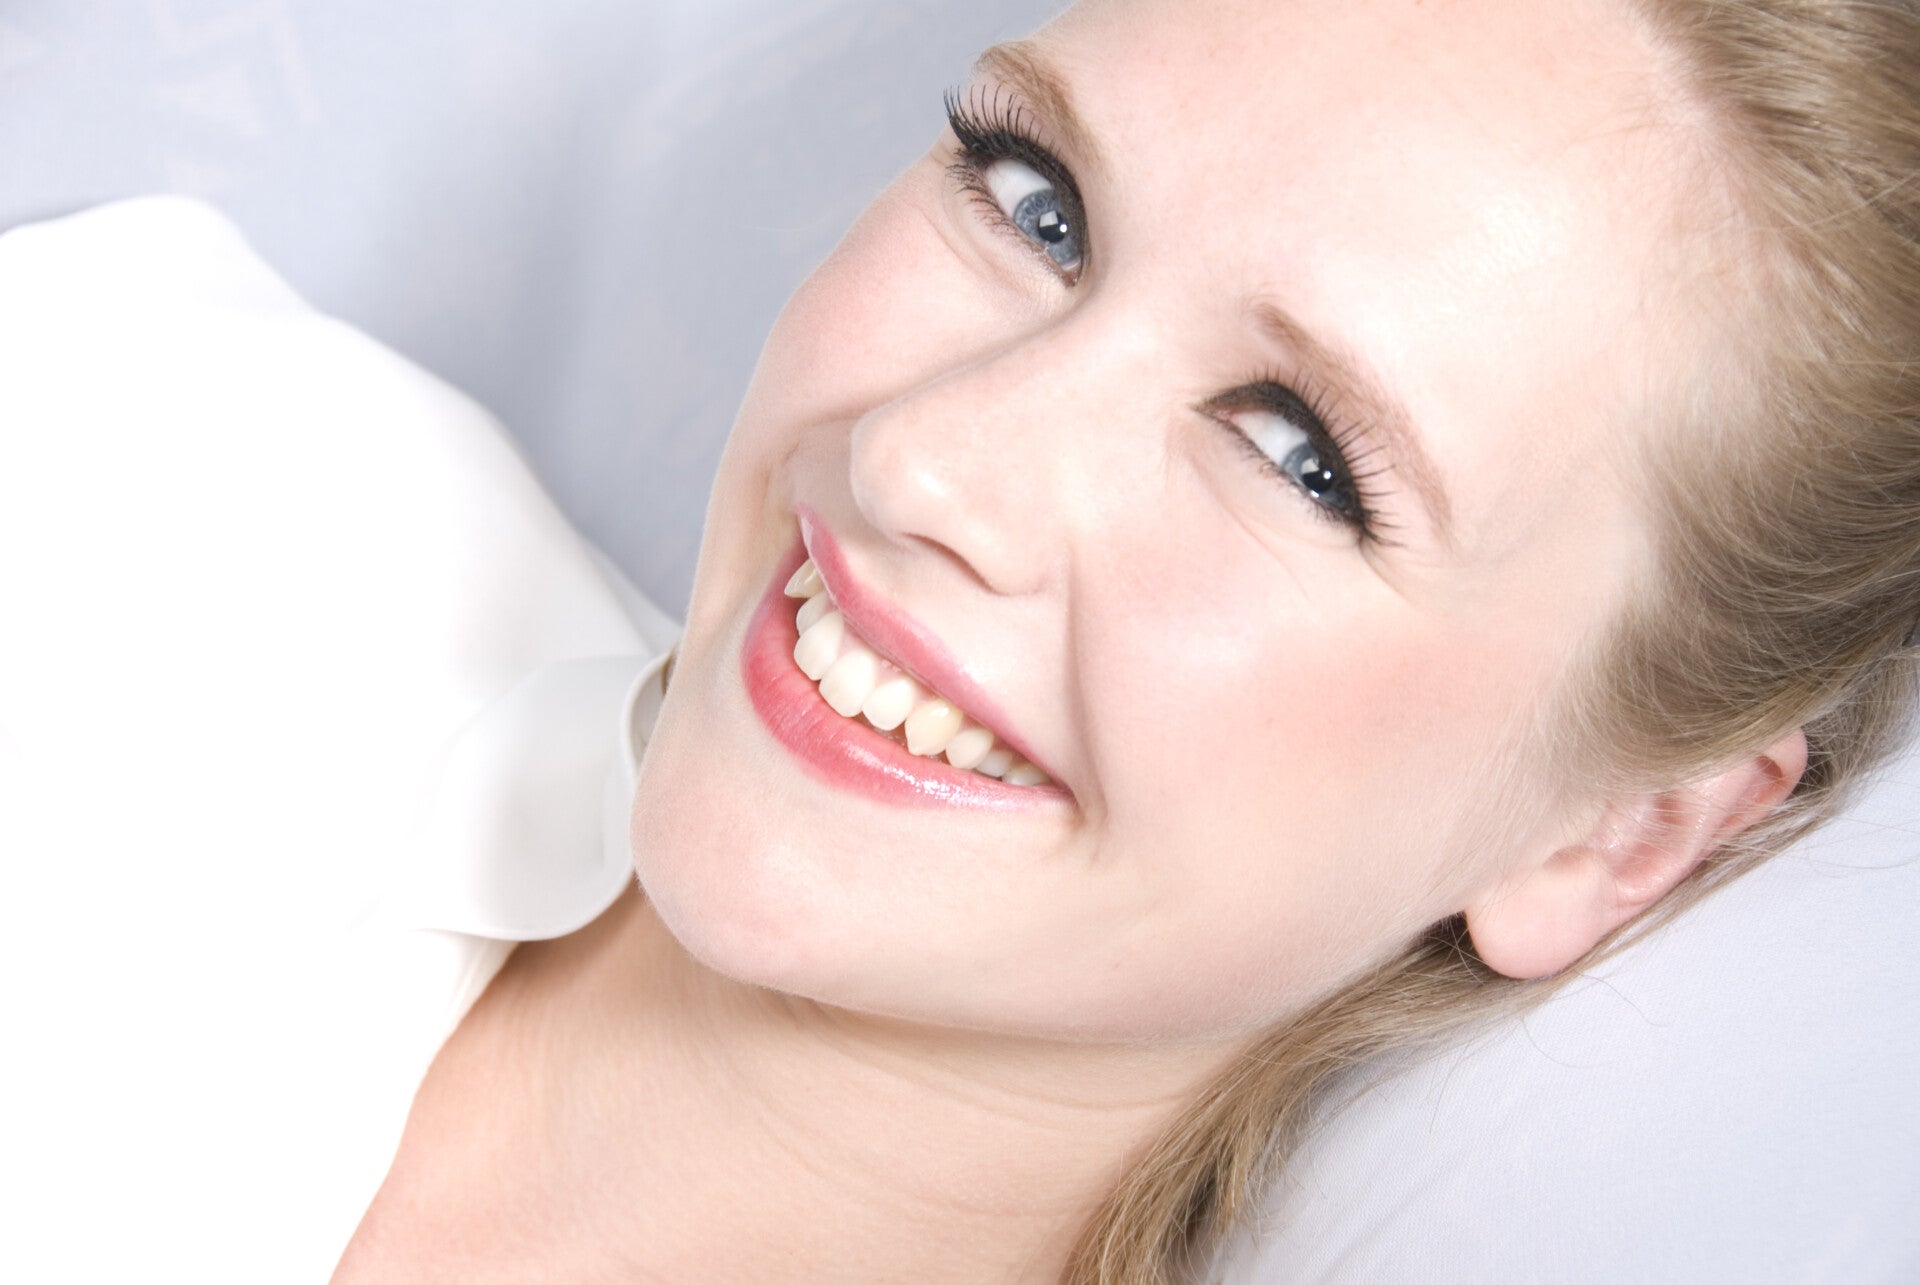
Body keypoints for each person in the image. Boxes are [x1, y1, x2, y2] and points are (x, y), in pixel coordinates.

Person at [3, 0, 1912, 1281]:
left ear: (1618, 835)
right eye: (1036, 201)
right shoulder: (156, 436)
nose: (924, 459)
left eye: (1301, 457)